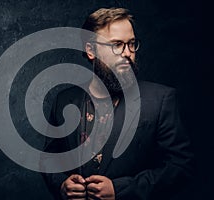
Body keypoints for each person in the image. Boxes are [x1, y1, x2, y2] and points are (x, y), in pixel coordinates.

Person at [42, 7, 194, 200]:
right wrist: (62, 185)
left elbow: (181, 166)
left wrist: (122, 190)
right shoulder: (64, 100)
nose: (127, 53)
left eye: (131, 44)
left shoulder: (161, 100)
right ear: (90, 50)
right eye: (116, 45)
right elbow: (49, 158)